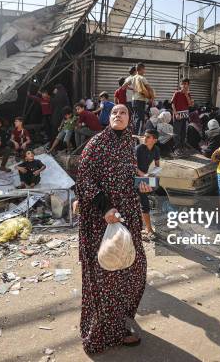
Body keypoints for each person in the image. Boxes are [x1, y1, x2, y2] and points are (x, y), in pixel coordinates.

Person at [75, 104, 150, 353]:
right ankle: (106, 333)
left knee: (135, 269)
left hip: (127, 217)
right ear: (108, 118)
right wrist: (105, 207)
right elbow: (83, 178)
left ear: (130, 119)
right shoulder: (97, 143)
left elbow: (127, 174)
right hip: (101, 221)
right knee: (108, 278)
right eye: (115, 112)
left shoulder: (129, 144)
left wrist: (142, 183)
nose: (119, 115)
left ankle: (119, 320)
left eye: (124, 113)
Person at [136, 129, 160, 237]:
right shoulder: (139, 149)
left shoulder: (156, 150)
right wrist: (144, 175)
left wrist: (153, 174)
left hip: (144, 177)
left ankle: (142, 226)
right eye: (144, 136)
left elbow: (157, 166)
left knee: (143, 201)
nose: (144, 138)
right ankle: (148, 229)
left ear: (155, 140)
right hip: (133, 177)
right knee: (144, 203)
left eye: (148, 137)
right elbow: (132, 166)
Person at [132, 63, 155, 135]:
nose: (145, 71)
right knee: (141, 119)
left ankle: (134, 135)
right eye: (144, 69)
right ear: (141, 69)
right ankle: (138, 136)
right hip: (140, 100)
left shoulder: (133, 78)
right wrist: (152, 98)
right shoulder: (142, 78)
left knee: (136, 118)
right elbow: (149, 88)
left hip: (134, 100)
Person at [171, 78, 193, 152]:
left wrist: (186, 94)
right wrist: (176, 114)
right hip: (178, 115)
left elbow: (190, 104)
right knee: (177, 132)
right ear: (180, 85)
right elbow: (173, 105)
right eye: (183, 84)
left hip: (185, 115)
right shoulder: (177, 93)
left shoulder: (188, 94)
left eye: (186, 84)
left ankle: (182, 146)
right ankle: (176, 148)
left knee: (183, 132)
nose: (184, 85)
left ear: (188, 85)